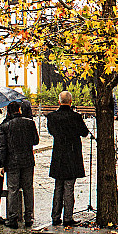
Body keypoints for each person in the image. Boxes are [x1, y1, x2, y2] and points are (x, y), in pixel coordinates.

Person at [45, 91, 90, 226]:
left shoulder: (52, 117)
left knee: (58, 186)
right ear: (71, 102)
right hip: (72, 154)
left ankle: (55, 216)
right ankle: (68, 217)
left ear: (59, 102)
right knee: (69, 187)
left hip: (59, 154)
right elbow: (84, 132)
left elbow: (51, 132)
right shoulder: (75, 117)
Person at [0, 101, 40, 229]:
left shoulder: (5, 126)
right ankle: (29, 217)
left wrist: (0, 164)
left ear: (8, 112)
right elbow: (36, 141)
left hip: (12, 162)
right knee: (28, 189)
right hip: (27, 160)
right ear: (20, 110)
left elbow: (2, 147)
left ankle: (13, 218)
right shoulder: (30, 123)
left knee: (13, 190)